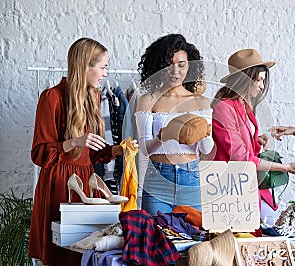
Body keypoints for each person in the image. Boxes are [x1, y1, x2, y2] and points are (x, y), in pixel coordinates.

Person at [29, 38, 133, 265]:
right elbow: (39, 153)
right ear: (86, 65)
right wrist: (73, 142)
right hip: (59, 182)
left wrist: (118, 150)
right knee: (62, 254)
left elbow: (91, 154)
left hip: (85, 182)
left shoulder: (93, 97)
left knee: (84, 252)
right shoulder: (52, 98)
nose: (105, 73)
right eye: (103, 67)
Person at [211, 49, 295, 225]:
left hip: (244, 184)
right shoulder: (224, 107)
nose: (261, 86)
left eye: (263, 80)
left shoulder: (241, 104)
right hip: (230, 187)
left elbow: (236, 144)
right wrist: (285, 167)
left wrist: (254, 140)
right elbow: (240, 158)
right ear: (244, 80)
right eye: (258, 80)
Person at [135, 34, 214, 216]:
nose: (175, 71)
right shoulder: (148, 100)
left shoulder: (200, 102)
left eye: (181, 65)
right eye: (169, 65)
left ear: (189, 66)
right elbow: (145, 150)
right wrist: (164, 136)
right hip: (157, 180)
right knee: (158, 239)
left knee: (193, 240)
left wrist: (205, 133)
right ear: (160, 66)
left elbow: (206, 150)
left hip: (191, 178)